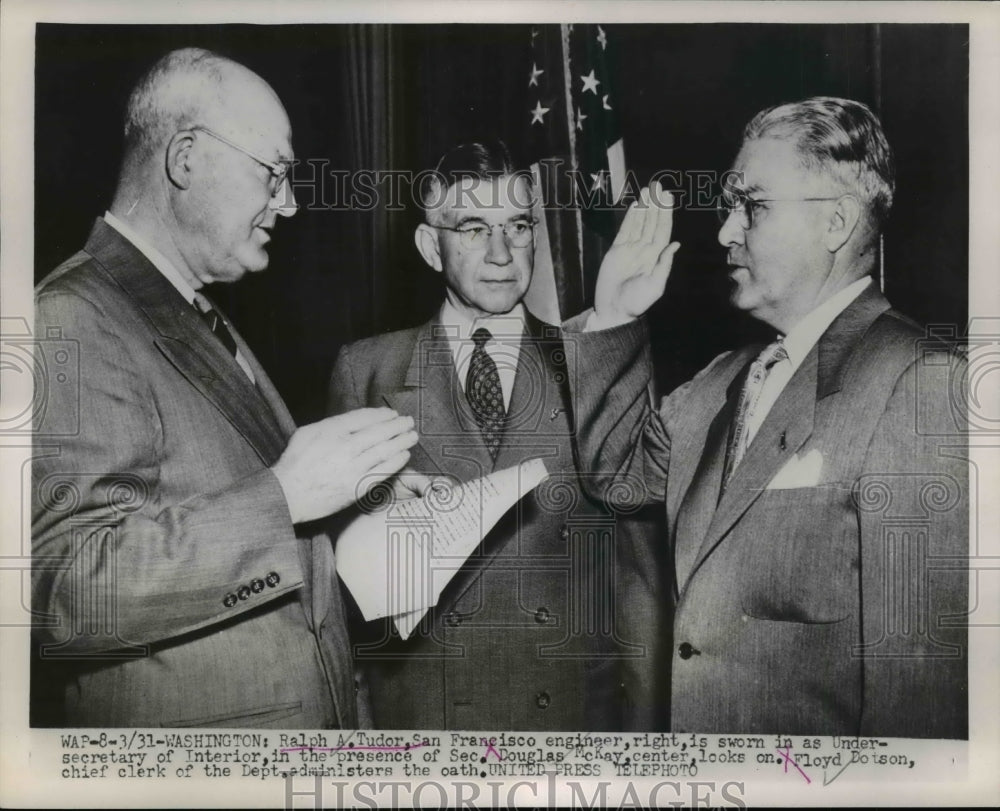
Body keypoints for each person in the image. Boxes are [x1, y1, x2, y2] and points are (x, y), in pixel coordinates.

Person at [31, 48, 420, 728]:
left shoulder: (193, 312)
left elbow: (214, 506)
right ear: (185, 158)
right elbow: (64, 591)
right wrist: (287, 495)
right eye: (274, 174)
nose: (291, 204)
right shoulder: (68, 315)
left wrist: (350, 506)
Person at [566, 97, 968, 737]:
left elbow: (920, 690)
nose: (725, 231)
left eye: (752, 206)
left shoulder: (923, 381)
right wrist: (613, 315)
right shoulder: (723, 380)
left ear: (835, 221)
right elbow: (620, 480)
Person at [328, 141, 665, 730]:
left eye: (517, 225)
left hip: (567, 720)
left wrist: (642, 733)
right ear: (432, 246)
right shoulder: (367, 370)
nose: (502, 253)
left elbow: (637, 570)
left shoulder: (596, 355)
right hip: (425, 723)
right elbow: (335, 584)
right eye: (473, 228)